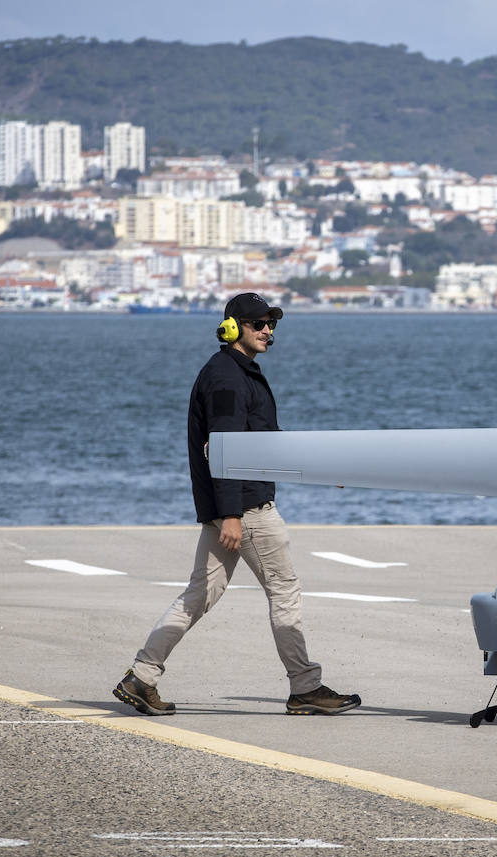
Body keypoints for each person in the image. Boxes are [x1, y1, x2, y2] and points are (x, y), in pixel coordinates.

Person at [113, 292, 361, 718]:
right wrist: (230, 515)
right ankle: (305, 687)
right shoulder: (228, 379)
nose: (267, 330)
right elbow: (224, 450)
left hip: (233, 507)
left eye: (271, 324)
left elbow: (265, 442)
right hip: (246, 509)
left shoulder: (237, 372)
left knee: (199, 595)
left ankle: (142, 676)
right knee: (284, 591)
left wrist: (319, 469)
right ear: (232, 327)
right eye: (258, 323)